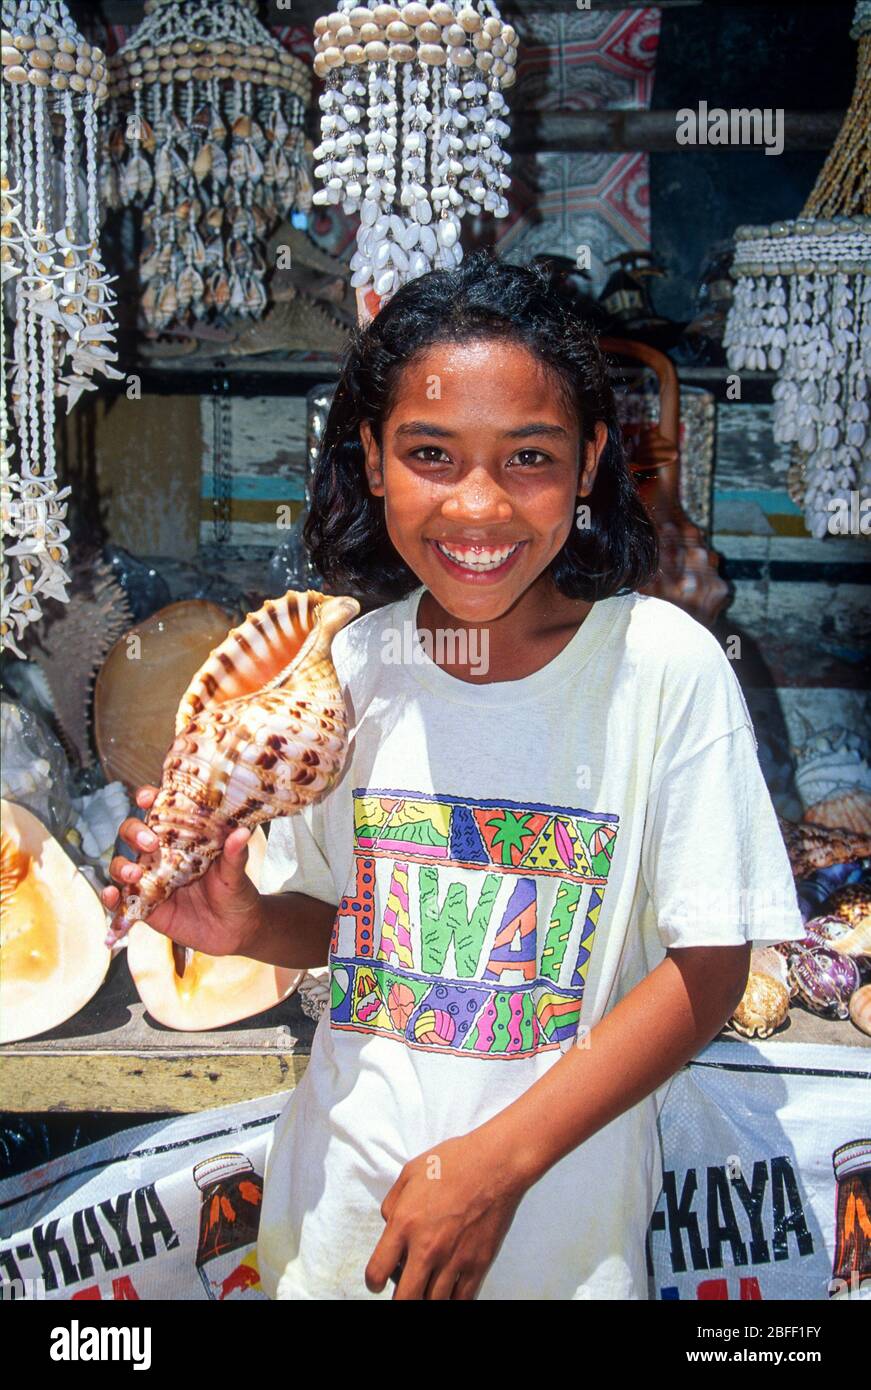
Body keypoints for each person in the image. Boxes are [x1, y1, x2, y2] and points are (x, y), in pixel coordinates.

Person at [102, 250, 806, 1301]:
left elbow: (708, 968)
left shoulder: (659, 667)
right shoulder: (343, 669)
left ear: (589, 460)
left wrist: (496, 1167)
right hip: (336, 1227)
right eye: (431, 451)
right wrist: (245, 922)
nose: (477, 508)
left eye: (527, 457)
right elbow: (344, 919)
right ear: (374, 459)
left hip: (556, 1245)